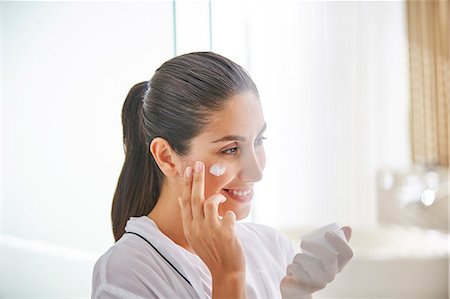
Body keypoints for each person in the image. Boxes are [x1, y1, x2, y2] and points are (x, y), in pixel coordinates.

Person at [91, 52, 353, 299]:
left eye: (259, 140)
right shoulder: (125, 271)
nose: (256, 172)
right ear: (167, 157)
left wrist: (295, 294)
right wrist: (228, 276)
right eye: (230, 149)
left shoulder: (272, 247)